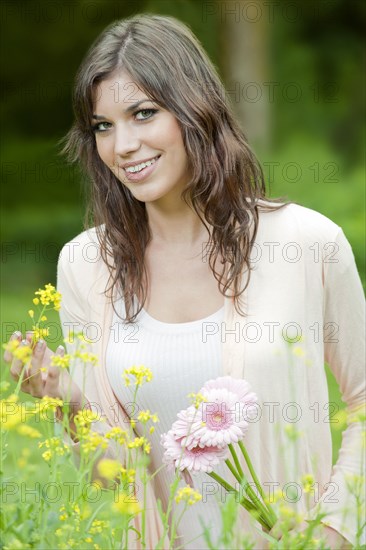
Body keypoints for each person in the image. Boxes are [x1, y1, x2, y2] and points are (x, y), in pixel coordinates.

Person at [4, 14, 364, 550]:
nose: (122, 145)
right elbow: (112, 476)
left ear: (195, 108)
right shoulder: (85, 265)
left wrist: (333, 528)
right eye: (103, 126)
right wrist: (62, 398)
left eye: (143, 114)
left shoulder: (308, 241)